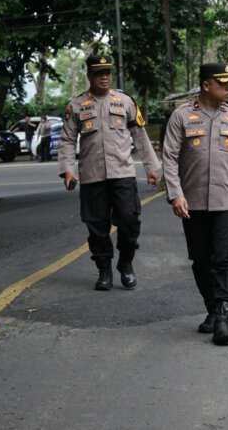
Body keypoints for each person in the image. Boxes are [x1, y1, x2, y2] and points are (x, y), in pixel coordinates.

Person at [161, 63, 228, 346]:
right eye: (223, 83)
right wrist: (175, 194)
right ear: (206, 85)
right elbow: (169, 157)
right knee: (201, 260)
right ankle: (213, 309)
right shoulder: (181, 116)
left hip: (227, 200)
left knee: (225, 258)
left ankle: (224, 319)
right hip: (192, 202)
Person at [58, 55, 161, 290]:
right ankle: (104, 270)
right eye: (98, 73)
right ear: (89, 76)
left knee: (129, 220)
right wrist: (68, 170)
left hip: (122, 173)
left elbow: (140, 136)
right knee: (97, 226)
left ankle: (126, 263)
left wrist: (152, 168)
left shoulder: (125, 102)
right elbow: (67, 140)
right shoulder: (76, 105)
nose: (104, 77)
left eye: (107, 72)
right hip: (92, 176)